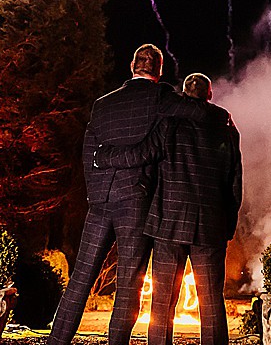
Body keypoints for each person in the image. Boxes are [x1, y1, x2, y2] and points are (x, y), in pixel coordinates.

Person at [48, 45, 220, 345]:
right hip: (137, 202)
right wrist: (223, 118)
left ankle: (56, 342)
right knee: (128, 286)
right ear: (160, 70)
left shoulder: (103, 104)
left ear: (132, 66)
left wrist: (97, 186)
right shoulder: (160, 97)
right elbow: (199, 112)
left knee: (79, 281)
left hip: (100, 202)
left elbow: (89, 151)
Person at [93, 72, 242, 345]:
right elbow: (234, 183)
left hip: (167, 223)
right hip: (210, 228)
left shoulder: (169, 124)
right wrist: (227, 226)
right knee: (211, 305)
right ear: (209, 95)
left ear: (183, 96)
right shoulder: (227, 129)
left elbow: (142, 154)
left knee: (161, 305)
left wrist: (104, 156)